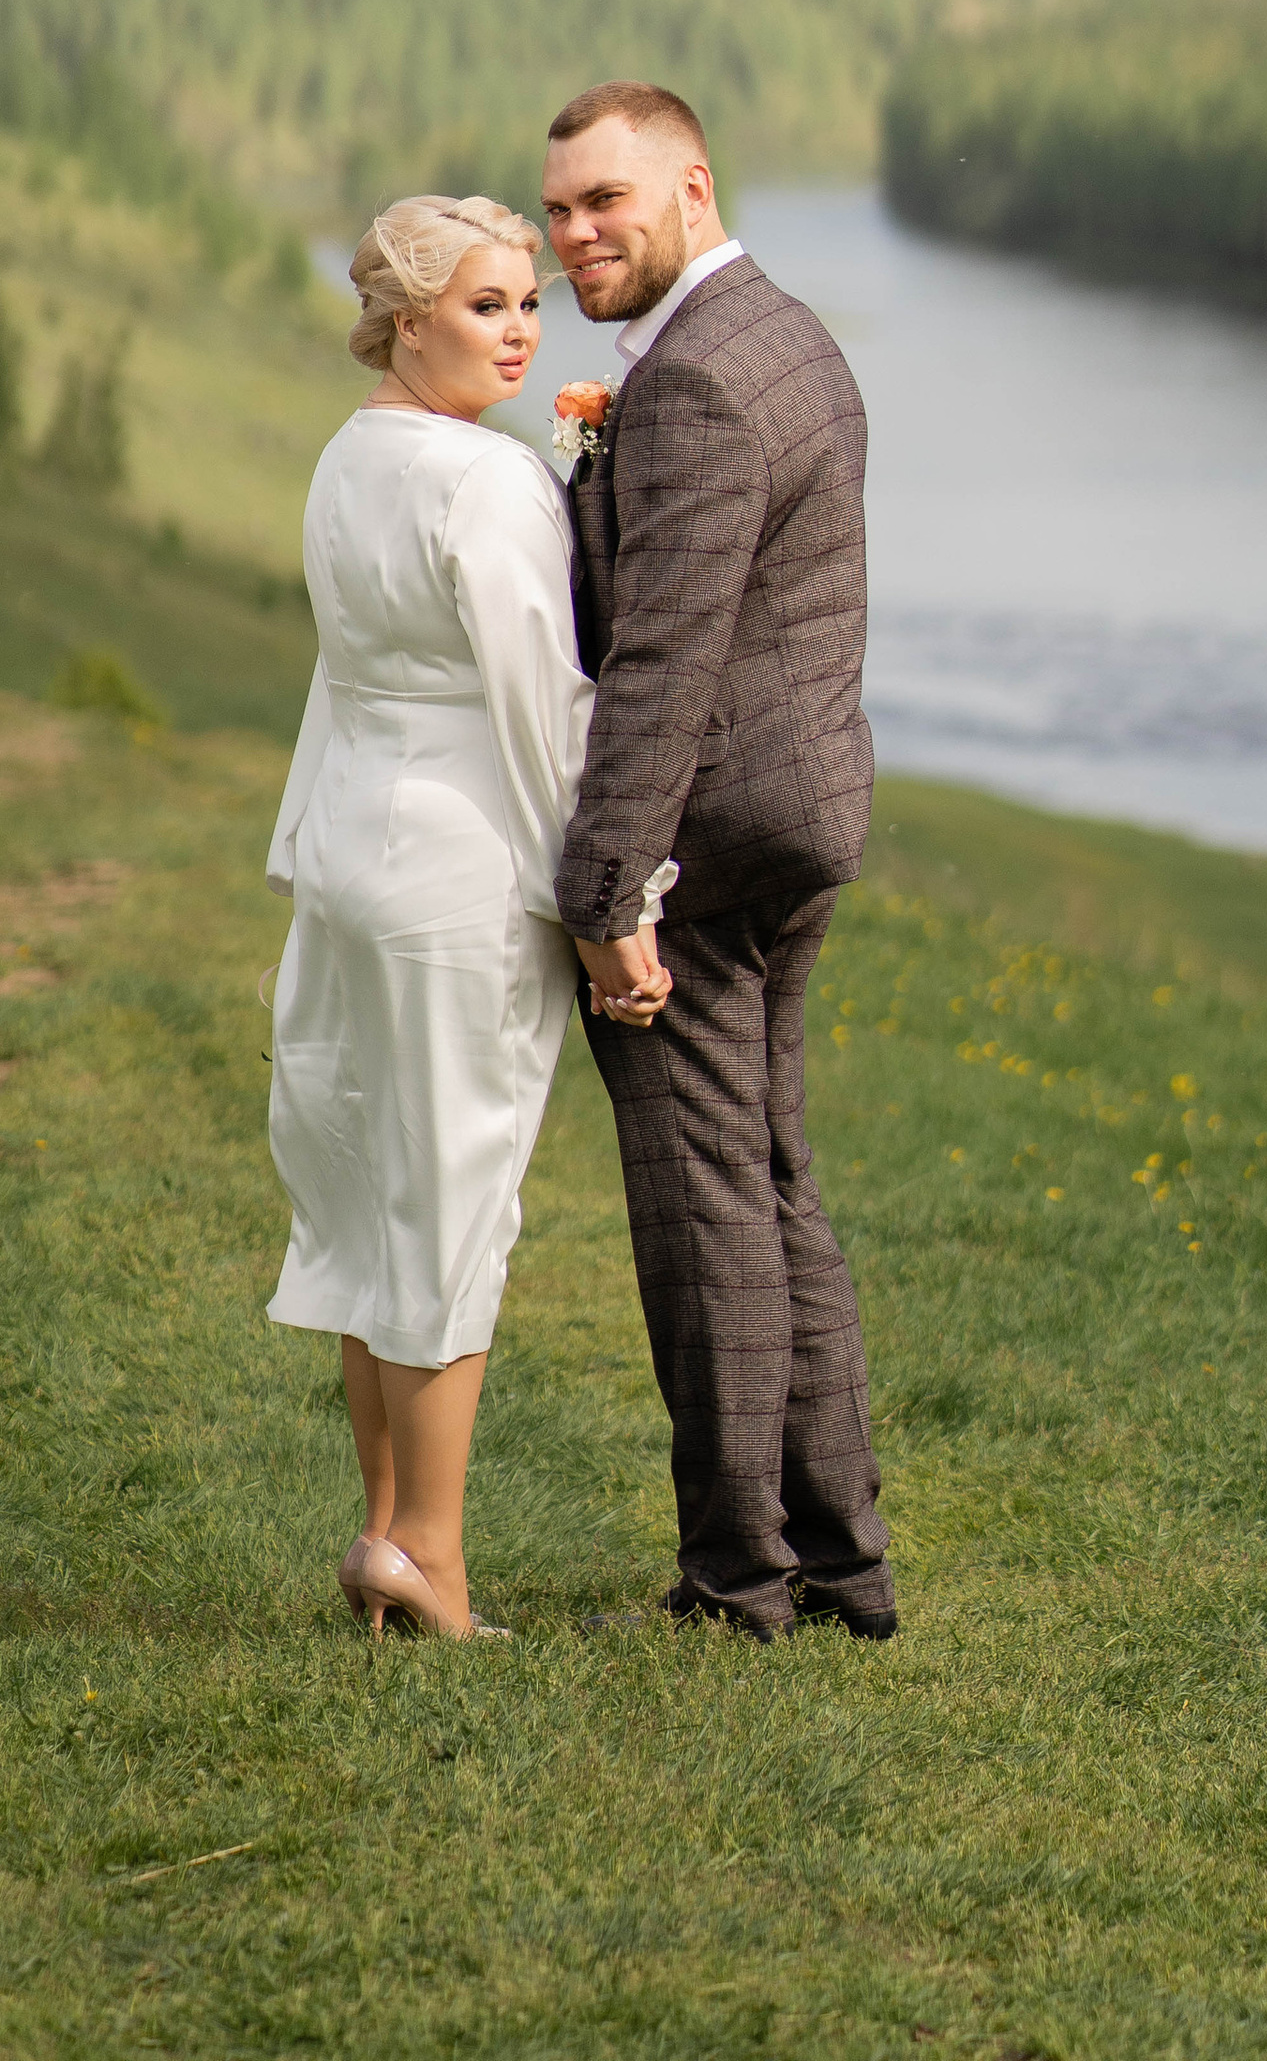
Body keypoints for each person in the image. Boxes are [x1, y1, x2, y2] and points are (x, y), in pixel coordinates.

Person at [263, 192, 669, 1640]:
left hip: (354, 852)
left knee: (377, 1193)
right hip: (454, 875)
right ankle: (427, 1556)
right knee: (449, 1201)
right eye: (486, 303)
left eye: (527, 302)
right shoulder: (488, 485)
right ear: (407, 316)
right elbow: (543, 709)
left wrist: (300, 838)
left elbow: (339, 669)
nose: (518, 328)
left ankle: (384, 1532)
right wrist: (610, 899)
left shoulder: (346, 455)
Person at [543, 82, 894, 1641]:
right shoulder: (789, 332)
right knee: (769, 1181)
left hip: (711, 842)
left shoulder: (688, 387)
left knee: (705, 1208)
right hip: (805, 811)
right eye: (557, 210)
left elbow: (667, 665)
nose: (574, 236)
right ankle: (841, 1568)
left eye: (605, 201)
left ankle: (737, 1585)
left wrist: (609, 893)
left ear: (690, 185)